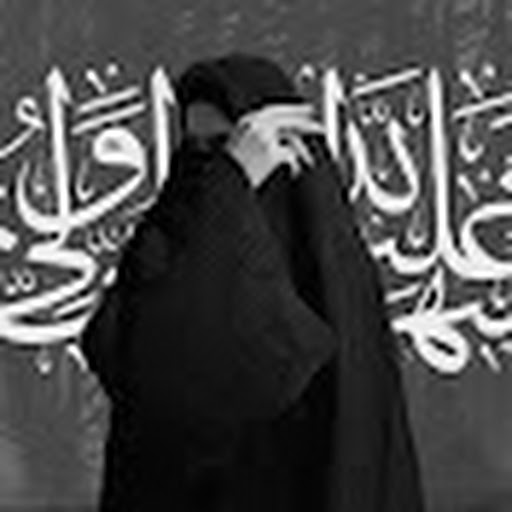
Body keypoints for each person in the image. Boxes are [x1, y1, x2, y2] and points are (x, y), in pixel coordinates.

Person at [82, 53, 424, 512]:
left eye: (229, 144)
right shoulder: (175, 235)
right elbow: (146, 361)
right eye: (198, 150)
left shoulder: (331, 268)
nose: (212, 166)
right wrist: (233, 179)